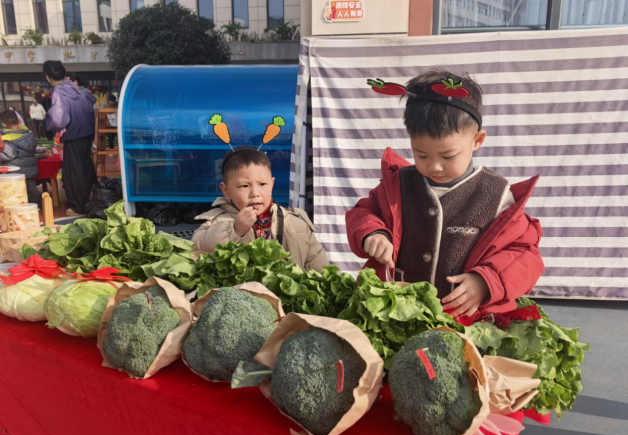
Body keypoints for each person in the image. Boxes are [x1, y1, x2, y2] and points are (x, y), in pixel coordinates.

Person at [345, 69, 545, 323]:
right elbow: (364, 212)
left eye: (448, 156)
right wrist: (373, 233)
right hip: (398, 316)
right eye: (421, 155)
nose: (435, 166)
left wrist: (486, 282)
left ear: (477, 140)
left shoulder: (497, 195)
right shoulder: (397, 185)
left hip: (467, 322)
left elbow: (524, 253)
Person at [192, 146, 329, 272]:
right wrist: (234, 230)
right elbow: (195, 249)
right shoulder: (216, 222)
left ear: (272, 184)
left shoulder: (296, 223)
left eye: (262, 184)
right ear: (226, 191)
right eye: (244, 186)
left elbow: (317, 264)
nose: (255, 193)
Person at [44, 60, 97, 216]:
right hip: (86, 135)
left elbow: (58, 120)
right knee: (85, 169)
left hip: (74, 136)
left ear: (48, 77)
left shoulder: (59, 93)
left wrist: (48, 123)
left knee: (74, 172)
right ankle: (91, 201)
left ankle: (78, 206)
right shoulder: (76, 89)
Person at [0, 110, 41, 206]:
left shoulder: (7, 138)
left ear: (3, 124)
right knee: (31, 189)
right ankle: (36, 205)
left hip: (14, 171)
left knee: (16, 192)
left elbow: (8, 155)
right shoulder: (29, 135)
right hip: (30, 170)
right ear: (18, 120)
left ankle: (18, 207)